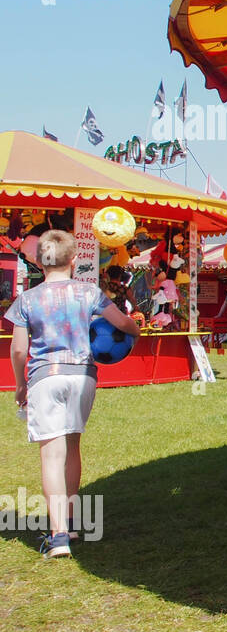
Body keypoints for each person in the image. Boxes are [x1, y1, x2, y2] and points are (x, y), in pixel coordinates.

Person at [4, 230, 138, 559]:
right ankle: (72, 522)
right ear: (75, 260)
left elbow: (18, 350)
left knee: (52, 455)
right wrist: (135, 328)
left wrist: (20, 385)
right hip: (83, 377)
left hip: (45, 377)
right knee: (73, 446)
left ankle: (58, 535)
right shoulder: (89, 292)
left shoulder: (27, 299)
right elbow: (124, 323)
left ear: (38, 262)